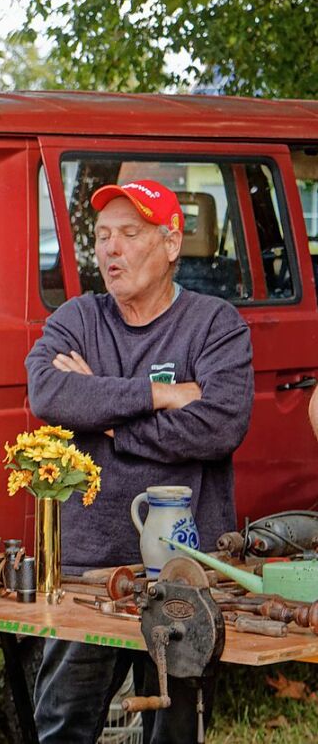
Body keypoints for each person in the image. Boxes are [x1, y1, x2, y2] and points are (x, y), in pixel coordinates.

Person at [25, 179, 254, 743]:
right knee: (63, 730)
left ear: (172, 243)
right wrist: (157, 395)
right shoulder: (77, 318)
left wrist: (104, 417)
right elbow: (48, 395)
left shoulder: (215, 324)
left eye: (129, 233)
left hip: (185, 576)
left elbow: (218, 426)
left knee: (174, 733)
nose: (111, 249)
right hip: (86, 574)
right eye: (102, 236)